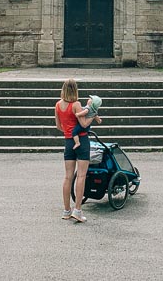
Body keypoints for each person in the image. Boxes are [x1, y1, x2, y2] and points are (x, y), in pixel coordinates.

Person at [55, 78, 100, 223]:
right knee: (81, 176)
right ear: (75, 90)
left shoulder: (58, 105)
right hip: (82, 141)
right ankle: (78, 210)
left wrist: (68, 132)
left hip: (68, 141)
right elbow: (83, 123)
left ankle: (66, 210)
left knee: (68, 177)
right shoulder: (76, 104)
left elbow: (58, 126)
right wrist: (93, 116)